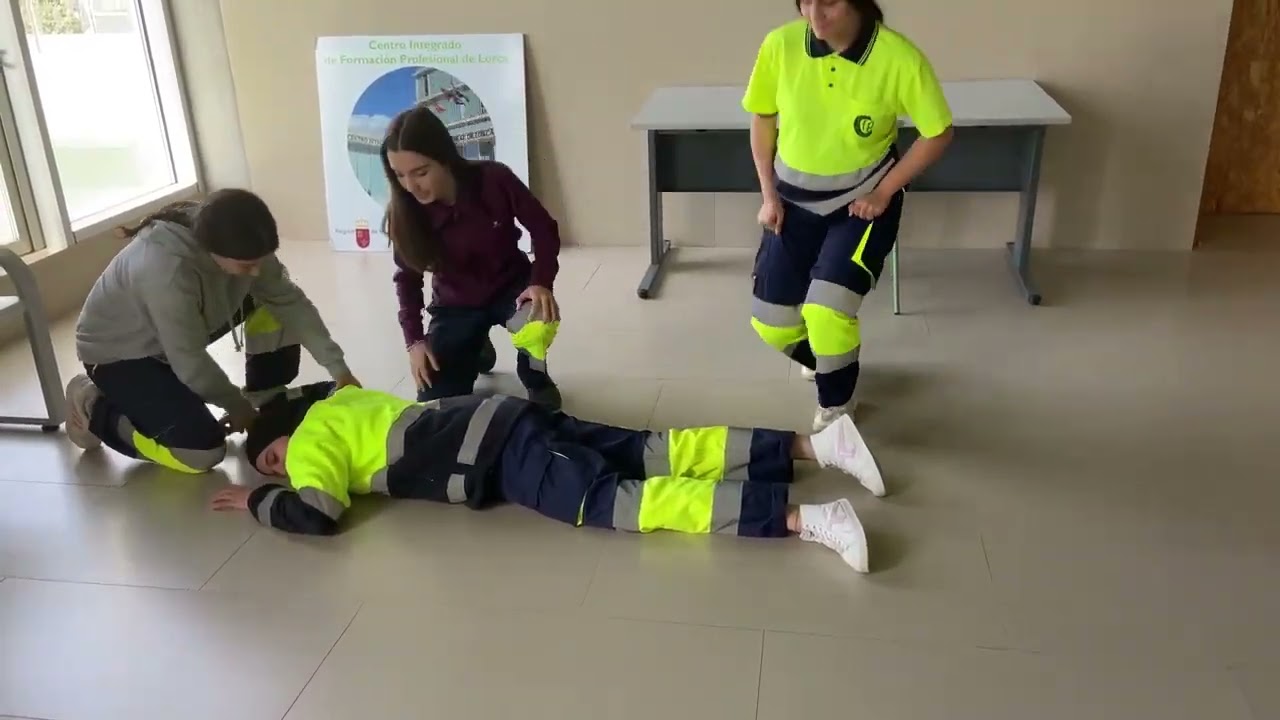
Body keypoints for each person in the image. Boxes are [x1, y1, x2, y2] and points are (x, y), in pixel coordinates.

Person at [211, 382, 887, 573]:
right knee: (652, 451)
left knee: (618, 502)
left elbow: (320, 511)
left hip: (499, 456)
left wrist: (258, 499)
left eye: (272, 457)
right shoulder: (338, 402)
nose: (281, 467)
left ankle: (805, 519)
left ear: (284, 440)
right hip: (504, 414)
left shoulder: (307, 448)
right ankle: (817, 446)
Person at [745, 0, 954, 430]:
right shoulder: (780, 45)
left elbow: (938, 132)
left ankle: (837, 405)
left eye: (830, 2)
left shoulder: (899, 57)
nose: (814, 15)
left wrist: (884, 191)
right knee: (772, 324)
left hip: (860, 204)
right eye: (806, 1)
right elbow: (763, 117)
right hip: (791, 202)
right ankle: (831, 362)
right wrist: (768, 195)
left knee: (827, 312)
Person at [65, 189, 360, 474]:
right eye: (247, 265)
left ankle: (265, 396)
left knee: (272, 299)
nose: (257, 271)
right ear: (212, 251)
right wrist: (237, 407)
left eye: (261, 260)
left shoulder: (240, 239)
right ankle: (93, 405)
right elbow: (189, 361)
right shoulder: (166, 270)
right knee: (201, 453)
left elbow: (290, 301)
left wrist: (340, 370)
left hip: (174, 337)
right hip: (119, 354)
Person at [384, 105, 564, 411]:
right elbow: (407, 280)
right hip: (455, 304)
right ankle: (476, 346)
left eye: (421, 172)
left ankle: (536, 378)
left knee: (535, 321)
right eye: (400, 175)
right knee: (436, 402)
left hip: (511, 287)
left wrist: (541, 282)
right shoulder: (405, 212)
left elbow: (544, 229)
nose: (411, 186)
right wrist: (414, 341)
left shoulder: (494, 179)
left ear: (444, 158)